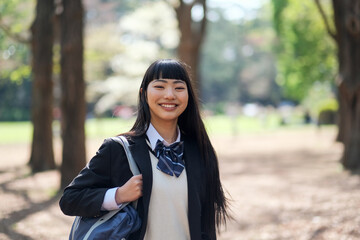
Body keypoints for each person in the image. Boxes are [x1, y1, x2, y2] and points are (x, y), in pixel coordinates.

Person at [59, 59, 229, 240]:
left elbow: (206, 226)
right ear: (144, 93)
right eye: (160, 87)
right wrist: (118, 195)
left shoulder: (200, 151)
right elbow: (70, 200)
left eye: (179, 88)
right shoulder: (119, 149)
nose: (170, 95)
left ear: (189, 95)